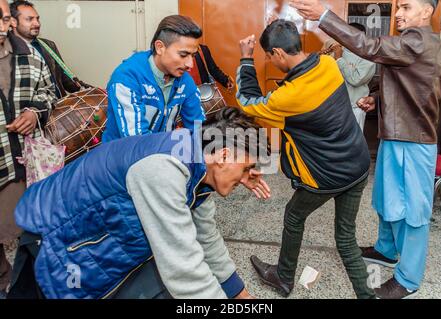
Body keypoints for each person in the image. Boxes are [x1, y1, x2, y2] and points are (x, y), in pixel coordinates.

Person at [9, 108, 270, 299]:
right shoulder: (164, 170)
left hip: (91, 237)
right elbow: (183, 268)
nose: (249, 177)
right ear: (223, 156)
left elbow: (207, 240)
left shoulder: (198, 164)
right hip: (57, 238)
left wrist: (240, 297)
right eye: (247, 167)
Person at [291, 0, 441, 299]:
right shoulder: (414, 43)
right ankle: (386, 250)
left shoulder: (418, 40)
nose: (399, 13)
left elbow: (369, 46)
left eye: (406, 7)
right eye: (399, 6)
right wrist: (378, 98)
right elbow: (414, 87)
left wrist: (326, 17)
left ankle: (409, 279)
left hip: (413, 141)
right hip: (398, 134)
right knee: (386, 199)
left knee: (412, 212)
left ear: (427, 12)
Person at [236, 20, 374, 299]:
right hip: (357, 165)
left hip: (326, 175)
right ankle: (367, 296)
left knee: (294, 215)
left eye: (268, 56)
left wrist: (246, 58)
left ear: (278, 53)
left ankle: (284, 278)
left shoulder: (288, 98)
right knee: (346, 238)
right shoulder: (328, 66)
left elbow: (247, 103)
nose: (269, 61)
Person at [0, 0, 56, 297]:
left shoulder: (30, 56)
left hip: (19, 163)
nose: (2, 24)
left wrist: (35, 111)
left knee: (25, 235)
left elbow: (48, 92)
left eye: (5, 17)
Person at [102, 15, 206, 143]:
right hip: (120, 158)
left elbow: (198, 129)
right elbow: (137, 143)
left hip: (161, 154)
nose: (190, 64)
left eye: (193, 56)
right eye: (183, 55)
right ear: (160, 47)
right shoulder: (127, 77)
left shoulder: (185, 81)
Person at [9, 0, 89, 99]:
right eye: (29, 19)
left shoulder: (48, 45)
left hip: (58, 108)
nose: (37, 23)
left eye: (37, 19)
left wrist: (95, 91)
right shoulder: (5, 50)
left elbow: (67, 81)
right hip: (29, 112)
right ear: (13, 22)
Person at [336, 23, 376, 131]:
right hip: (334, 108)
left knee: (353, 143)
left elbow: (356, 79)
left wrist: (339, 60)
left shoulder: (368, 57)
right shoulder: (337, 50)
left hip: (355, 108)